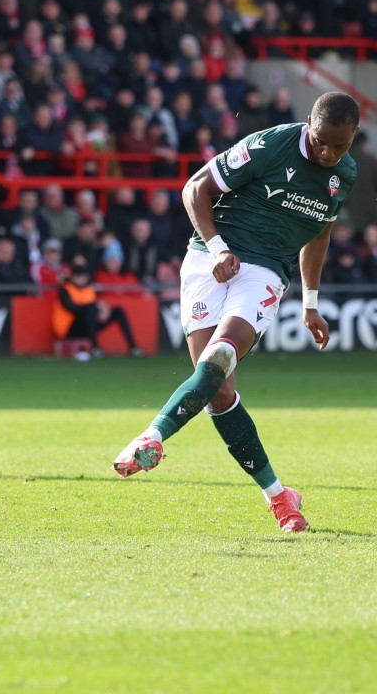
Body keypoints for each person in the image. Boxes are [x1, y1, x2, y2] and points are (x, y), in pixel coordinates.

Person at [112, 91, 361, 534]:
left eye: (338, 146)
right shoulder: (271, 145)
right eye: (322, 141)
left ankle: (151, 436)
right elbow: (196, 188)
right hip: (210, 259)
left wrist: (310, 302)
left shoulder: (344, 174)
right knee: (219, 394)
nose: (327, 153)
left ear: (353, 137)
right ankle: (280, 496)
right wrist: (217, 248)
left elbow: (319, 233)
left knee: (220, 355)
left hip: (266, 271)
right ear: (309, 123)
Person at [52, 257, 142, 359]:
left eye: (82, 276)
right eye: (77, 276)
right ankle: (95, 348)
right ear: (72, 277)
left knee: (118, 311)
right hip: (68, 329)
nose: (80, 279)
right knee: (91, 310)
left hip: (87, 325)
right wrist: (94, 307)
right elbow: (72, 308)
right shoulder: (66, 290)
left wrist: (104, 310)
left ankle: (133, 347)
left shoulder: (89, 289)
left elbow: (94, 304)